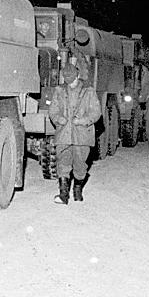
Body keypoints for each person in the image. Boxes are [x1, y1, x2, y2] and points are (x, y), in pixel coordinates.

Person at [48, 63, 102, 204]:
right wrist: (58, 118)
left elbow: (96, 112)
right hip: (64, 133)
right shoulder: (59, 90)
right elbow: (53, 110)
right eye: (67, 80)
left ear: (78, 75)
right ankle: (63, 195)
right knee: (63, 163)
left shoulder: (88, 91)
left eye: (72, 79)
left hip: (82, 135)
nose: (70, 83)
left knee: (80, 165)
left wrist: (83, 120)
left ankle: (77, 190)